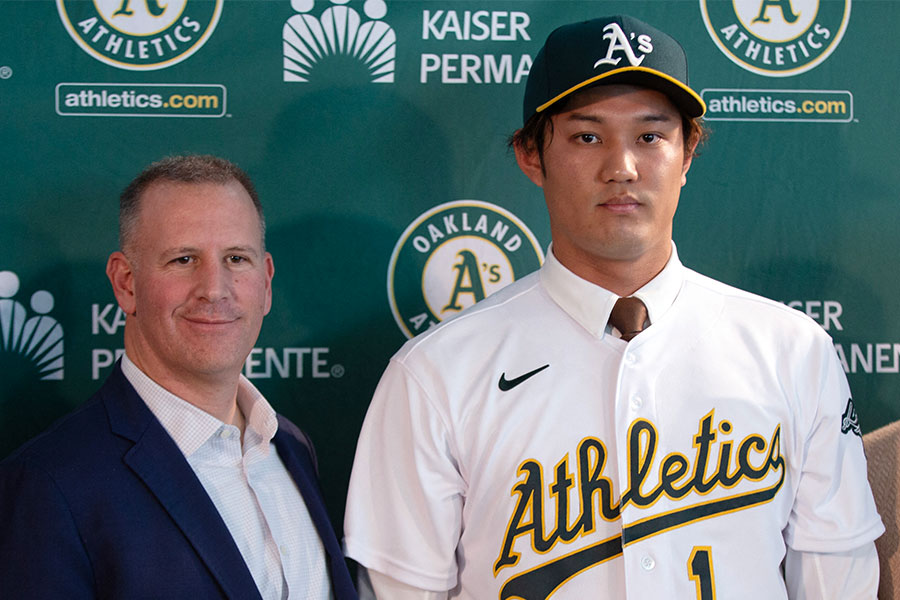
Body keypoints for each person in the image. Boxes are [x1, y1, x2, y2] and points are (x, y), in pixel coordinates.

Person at [343, 15, 883, 600]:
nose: (622, 167)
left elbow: (838, 585)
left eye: (650, 136)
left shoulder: (793, 350)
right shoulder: (435, 373)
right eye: (587, 136)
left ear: (688, 153)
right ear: (531, 154)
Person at [0, 155, 357, 599]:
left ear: (265, 282)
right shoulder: (50, 485)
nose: (214, 287)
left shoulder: (290, 447)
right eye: (184, 259)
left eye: (236, 258)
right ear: (126, 283)